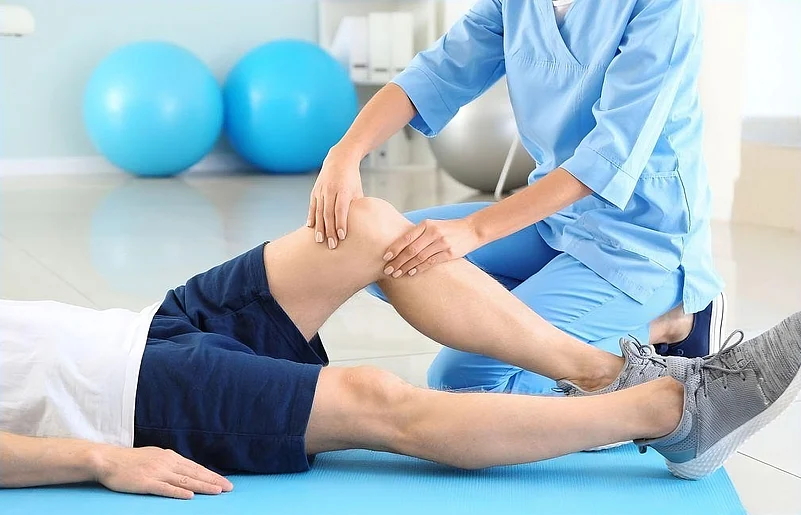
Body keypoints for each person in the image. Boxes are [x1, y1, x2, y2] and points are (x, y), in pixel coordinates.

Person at [2, 197, 800, 499]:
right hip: (127, 398)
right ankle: (673, 408)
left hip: (144, 325)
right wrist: (101, 459)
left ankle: (609, 372)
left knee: (373, 230)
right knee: (374, 400)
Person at [308, 0, 726, 395]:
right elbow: (435, 74)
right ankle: (564, 317)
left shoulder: (663, 6)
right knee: (383, 254)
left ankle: (670, 325)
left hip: (640, 240)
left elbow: (608, 156)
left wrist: (474, 230)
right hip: (555, 223)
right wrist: (345, 154)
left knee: (465, 384)